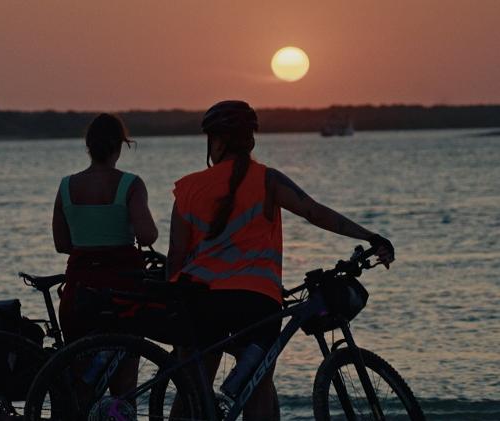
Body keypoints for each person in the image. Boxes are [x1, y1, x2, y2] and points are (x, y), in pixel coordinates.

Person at [166, 100, 394, 418]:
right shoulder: (267, 180)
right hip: (255, 301)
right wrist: (370, 237)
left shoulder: (189, 188)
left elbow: (176, 254)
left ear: (215, 141)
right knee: (257, 391)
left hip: (199, 299)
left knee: (192, 391)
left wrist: (171, 297)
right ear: (251, 141)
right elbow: (315, 212)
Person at [53, 112, 158, 341]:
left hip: (79, 289)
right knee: (124, 362)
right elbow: (147, 236)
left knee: (77, 364)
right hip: (123, 290)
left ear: (88, 146)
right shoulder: (131, 184)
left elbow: (61, 244)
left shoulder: (66, 187)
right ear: (119, 146)